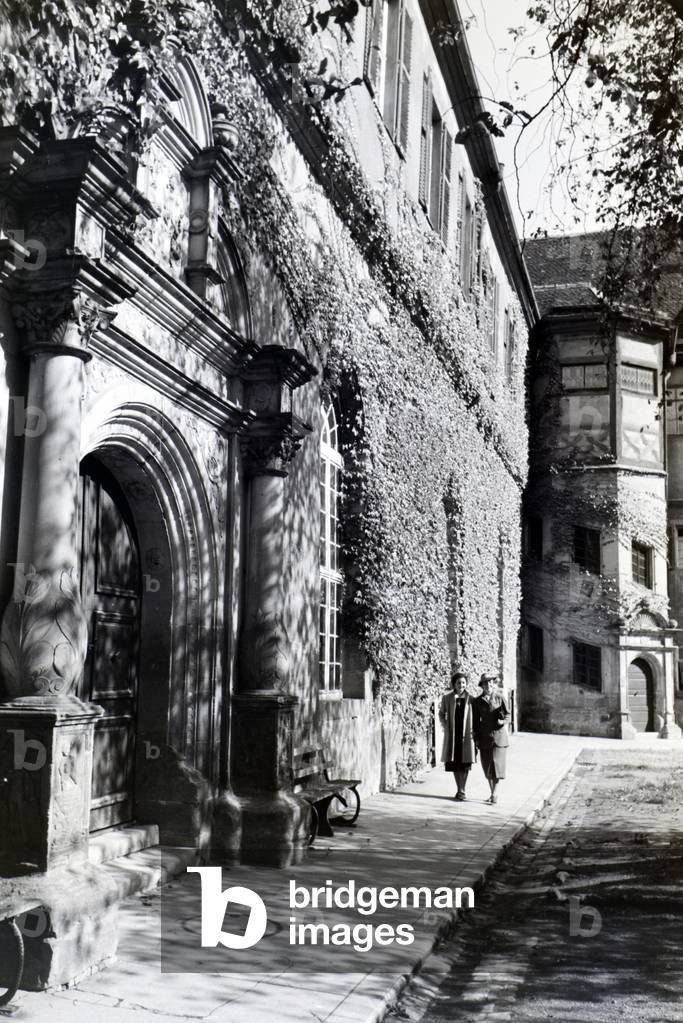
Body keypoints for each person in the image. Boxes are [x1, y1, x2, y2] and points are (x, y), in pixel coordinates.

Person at [438, 670, 476, 801]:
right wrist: (445, 726)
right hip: (453, 736)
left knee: (465, 764)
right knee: (455, 763)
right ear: (454, 684)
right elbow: (441, 714)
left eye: (464, 682)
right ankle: (459, 789)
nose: (461, 685)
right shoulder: (447, 698)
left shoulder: (471, 699)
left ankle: (462, 790)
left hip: (466, 736)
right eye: (459, 682)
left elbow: (476, 717)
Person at [472, 672, 509, 804]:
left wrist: (503, 722)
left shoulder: (500, 697)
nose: (489, 685)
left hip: (499, 738)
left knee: (497, 767)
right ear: (482, 685)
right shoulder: (477, 701)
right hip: (484, 737)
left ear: (494, 684)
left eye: (491, 682)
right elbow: (475, 722)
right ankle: (492, 793)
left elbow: (508, 715)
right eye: (486, 683)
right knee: (487, 767)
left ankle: (494, 794)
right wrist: (476, 738)